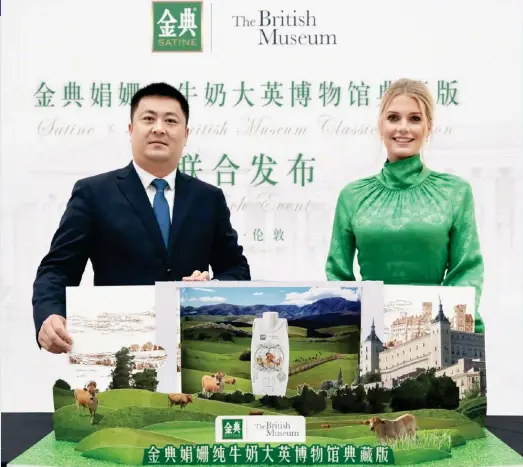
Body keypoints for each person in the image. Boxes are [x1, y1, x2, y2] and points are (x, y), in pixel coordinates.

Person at [33, 82, 251, 354]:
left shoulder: (208, 198)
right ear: (130, 129)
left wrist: (211, 287)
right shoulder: (94, 193)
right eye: (148, 118)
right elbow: (58, 268)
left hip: (189, 351)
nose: (159, 128)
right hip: (115, 346)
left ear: (185, 134)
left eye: (170, 120)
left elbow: (236, 269)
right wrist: (49, 314)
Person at [325, 78, 485, 333]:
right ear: (380, 125)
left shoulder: (455, 192)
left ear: (428, 127)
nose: (403, 128)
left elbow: (466, 270)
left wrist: (449, 328)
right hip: (371, 333)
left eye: (414, 118)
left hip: (439, 333)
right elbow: (338, 275)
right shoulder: (353, 195)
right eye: (393, 117)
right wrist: (361, 326)